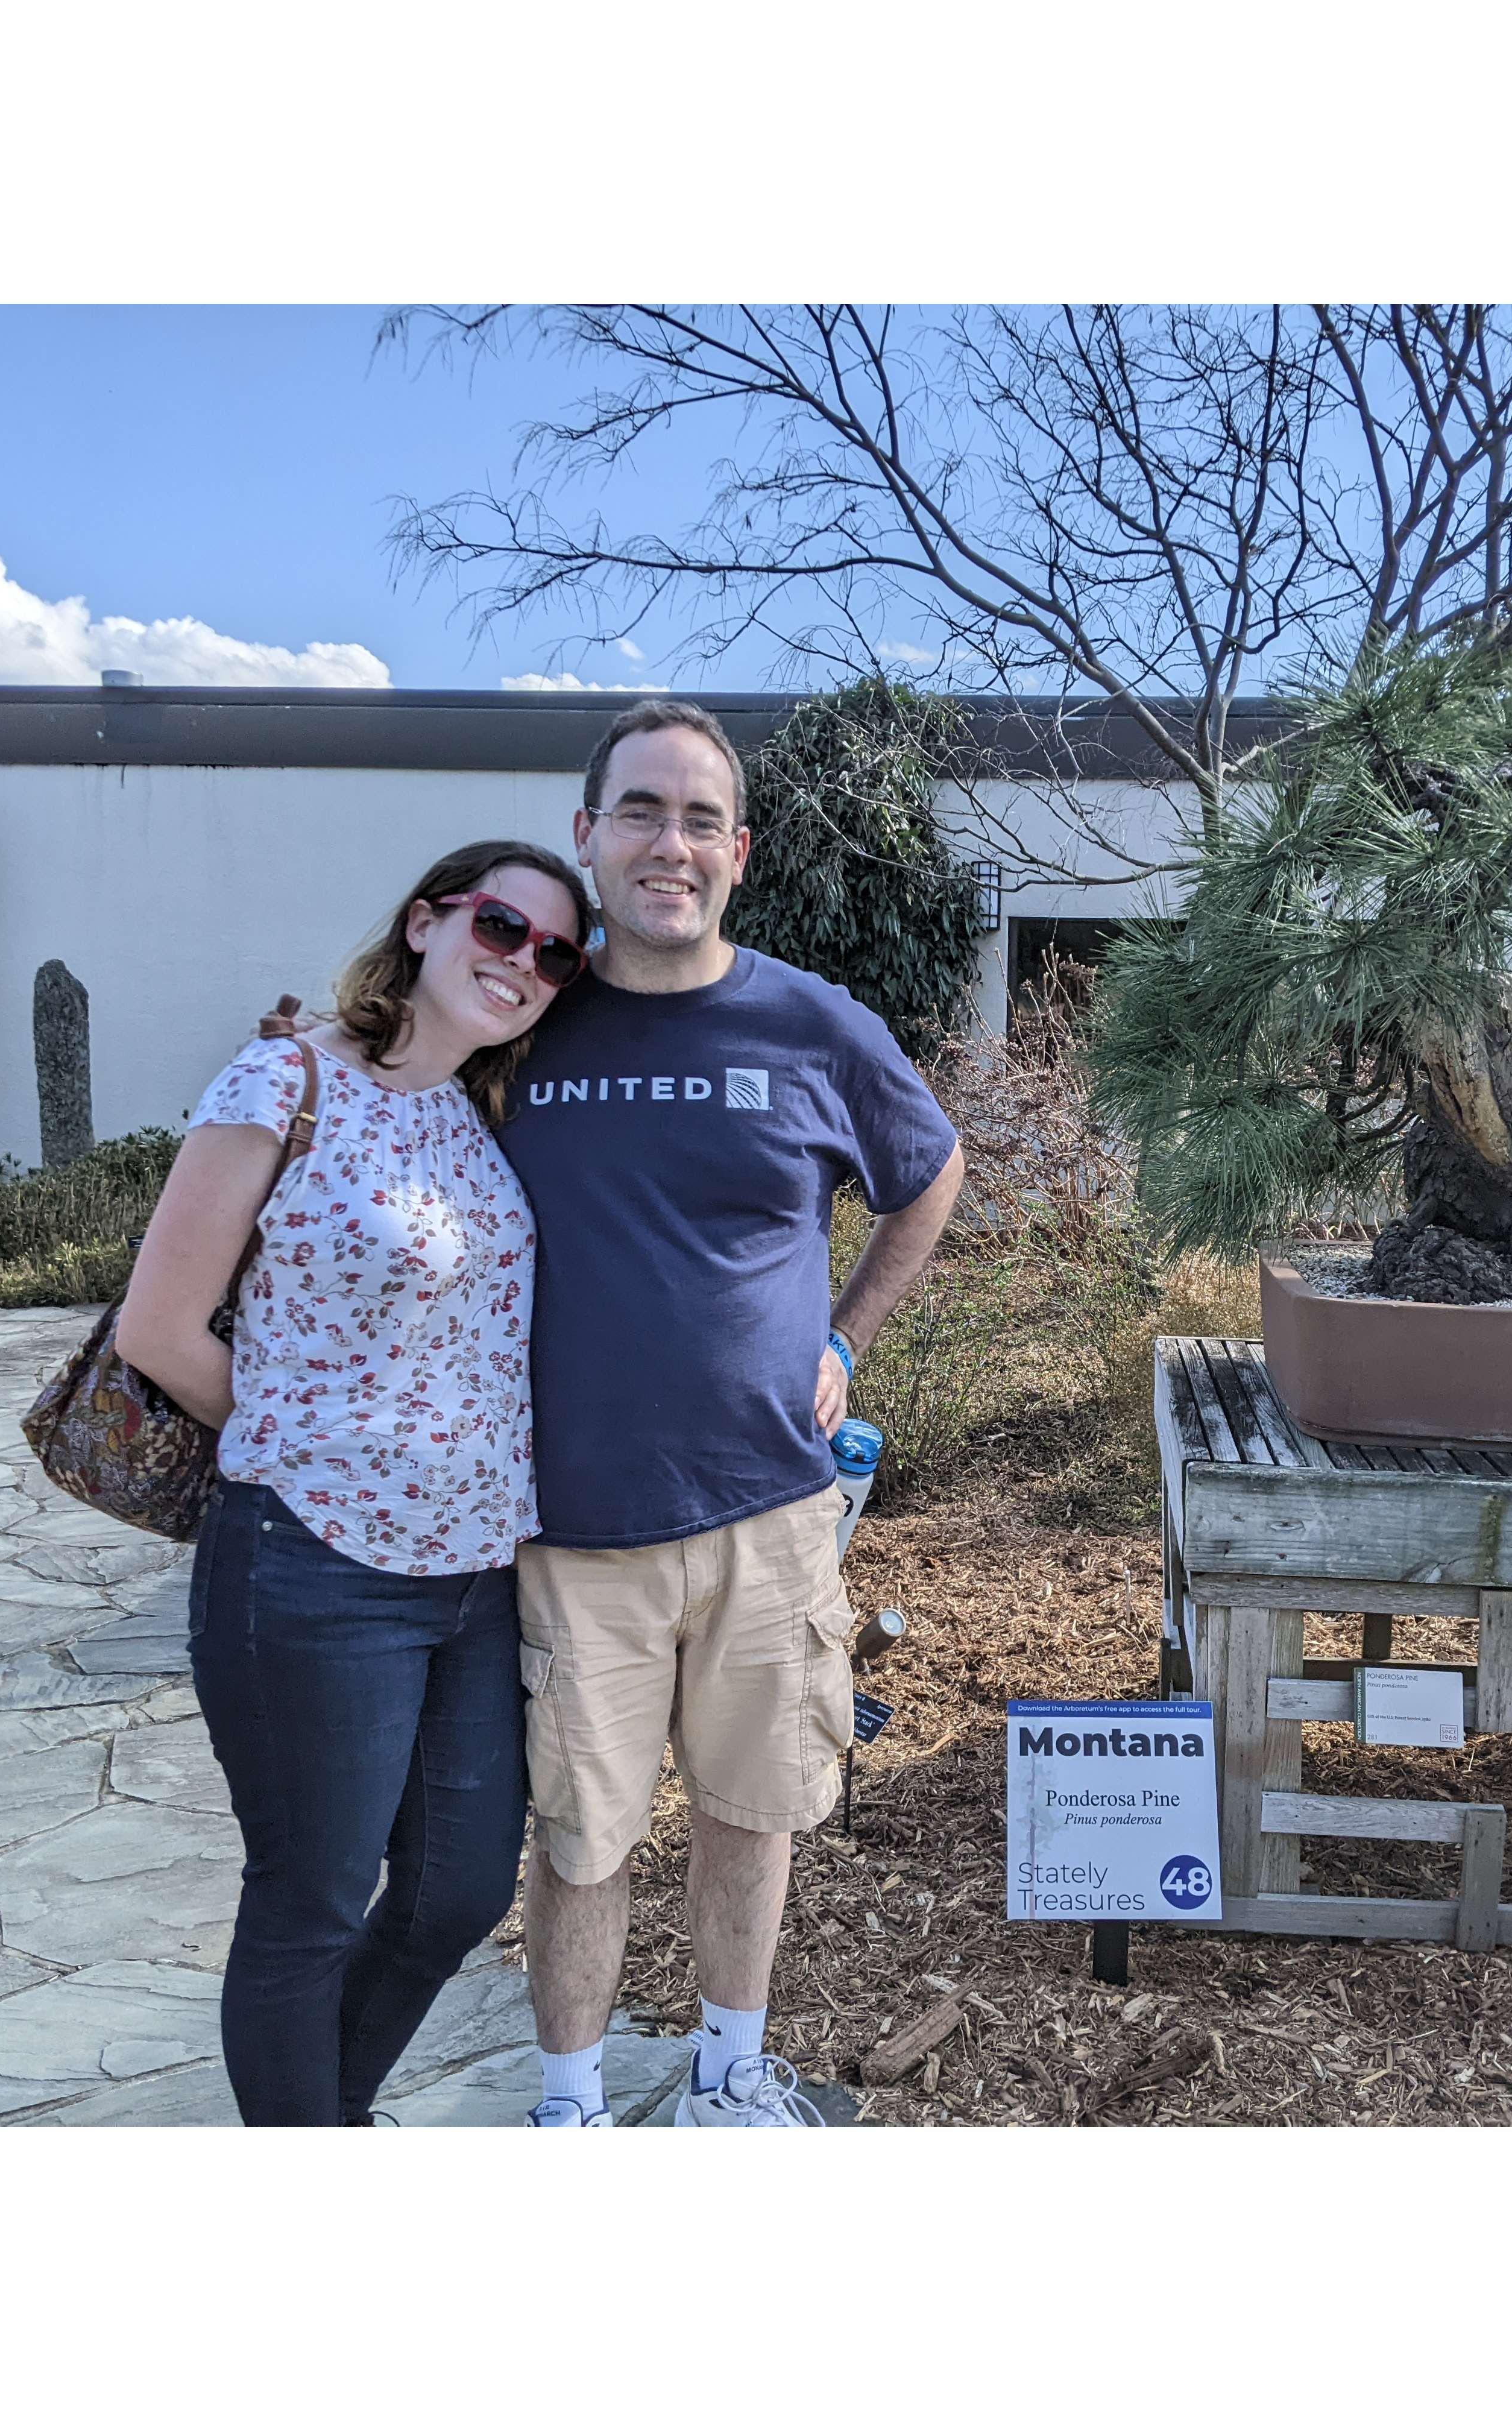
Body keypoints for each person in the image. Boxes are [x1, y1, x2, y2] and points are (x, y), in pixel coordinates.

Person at [502, 699, 963, 2128]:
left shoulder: (811, 1024)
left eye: (702, 819)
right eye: (641, 810)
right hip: (578, 1526)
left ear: (741, 852)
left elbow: (927, 1172)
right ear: (588, 835)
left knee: (753, 1812)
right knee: (582, 1838)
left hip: (773, 1511)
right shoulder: (521, 1022)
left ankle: (728, 2077)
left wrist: (848, 1335)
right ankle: (568, 2108)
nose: (671, 844)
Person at [116, 840, 593, 2127]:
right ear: (428, 923)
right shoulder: (283, 1082)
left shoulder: (478, 1114)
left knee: (457, 1892)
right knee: (312, 1903)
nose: (526, 965)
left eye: (556, 954)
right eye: (503, 928)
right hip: (314, 1565)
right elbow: (157, 1329)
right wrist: (318, 1440)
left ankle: (319, 2122)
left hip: (475, 1576)